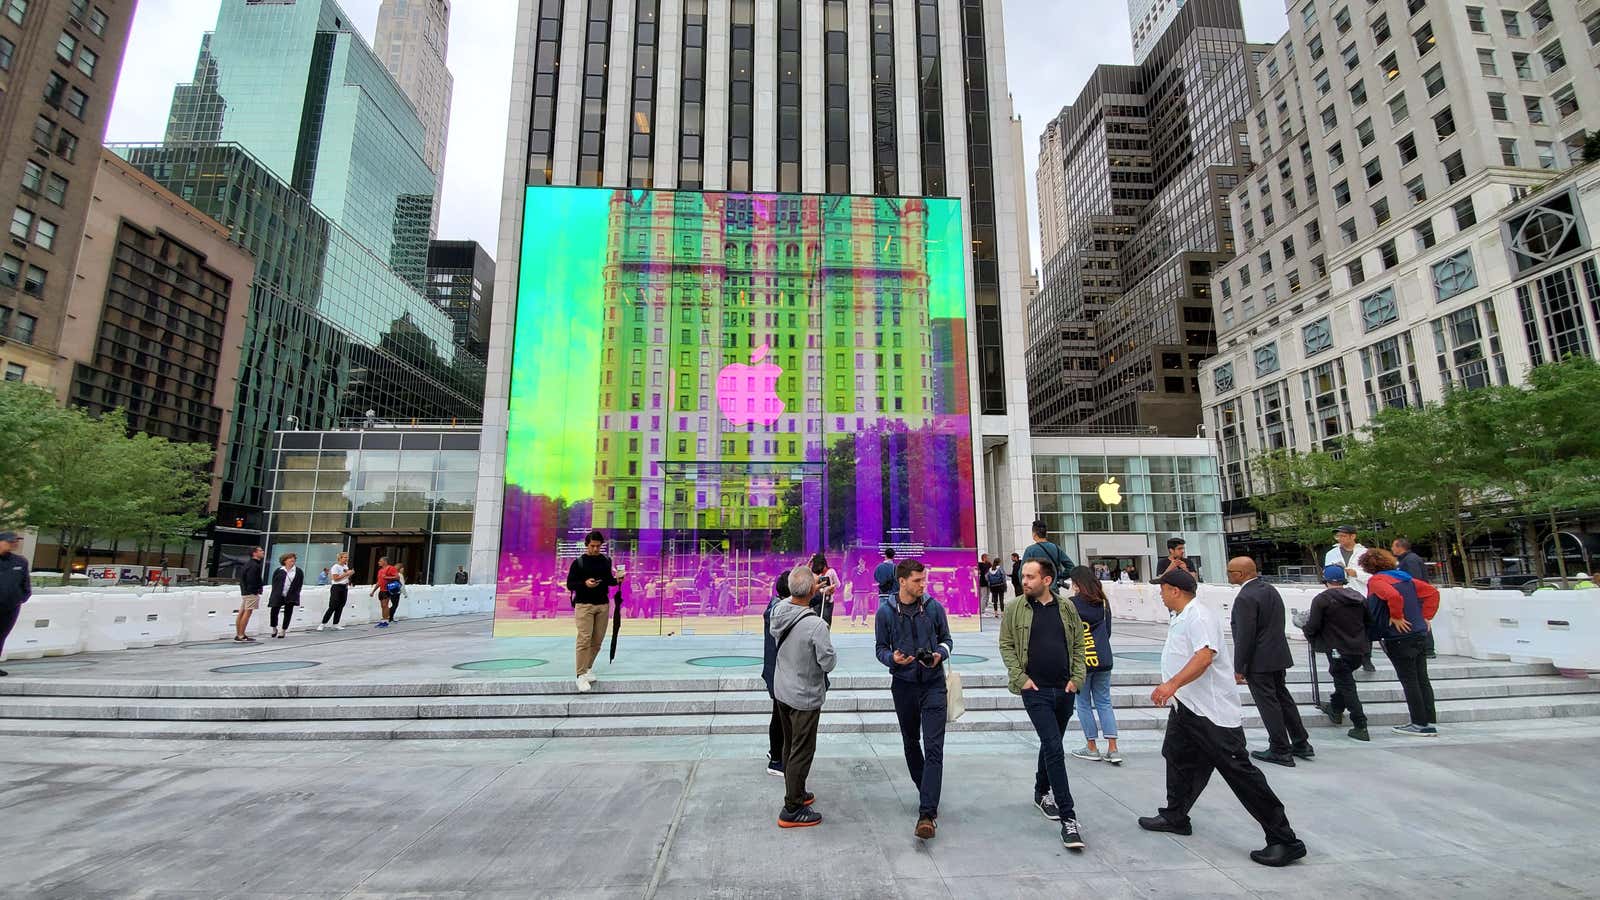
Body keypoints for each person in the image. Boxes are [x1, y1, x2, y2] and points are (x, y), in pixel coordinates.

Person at [1140, 568, 1306, 867]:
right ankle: (1175, 815)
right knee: (1177, 756)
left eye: (1162, 589)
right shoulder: (1182, 615)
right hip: (1187, 707)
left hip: (1211, 713)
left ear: (1175, 591)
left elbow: (1205, 656)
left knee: (1240, 773)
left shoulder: (1199, 615)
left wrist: (1171, 684)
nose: (1160, 594)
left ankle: (1284, 839)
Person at [1000, 558, 1088, 850]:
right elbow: (1007, 644)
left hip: (1064, 689)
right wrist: (1020, 677)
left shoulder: (1066, 607)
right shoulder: (1015, 608)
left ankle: (1040, 791)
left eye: (1030, 577)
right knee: (1054, 747)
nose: (1024, 581)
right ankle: (1069, 818)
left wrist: (1076, 678)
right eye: (1023, 576)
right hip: (1034, 690)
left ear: (1047, 580)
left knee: (1051, 743)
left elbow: (1078, 644)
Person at [875, 558, 953, 840]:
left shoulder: (933, 608)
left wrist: (938, 655)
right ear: (902, 581)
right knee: (911, 743)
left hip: (933, 685)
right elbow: (880, 648)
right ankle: (927, 792)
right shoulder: (885, 612)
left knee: (934, 747)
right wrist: (891, 658)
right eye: (918, 581)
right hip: (904, 684)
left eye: (925, 580)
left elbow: (947, 640)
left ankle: (926, 813)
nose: (923, 585)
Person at [1226, 557, 1312, 766]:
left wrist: (1239, 667)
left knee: (1269, 704)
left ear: (1241, 574)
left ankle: (1280, 748)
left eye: (1230, 571)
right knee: (1283, 699)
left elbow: (1245, 635)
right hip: (1277, 655)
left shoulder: (1245, 597)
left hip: (1259, 660)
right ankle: (1301, 742)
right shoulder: (1269, 589)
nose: (1228, 574)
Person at [771, 563, 836, 828]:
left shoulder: (778, 611)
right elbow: (828, 663)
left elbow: (792, 598)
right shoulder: (816, 625)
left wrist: (808, 588)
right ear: (810, 589)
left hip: (782, 691)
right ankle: (792, 808)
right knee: (802, 750)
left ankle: (796, 792)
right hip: (804, 696)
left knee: (789, 745)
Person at [1361, 548, 1441, 736]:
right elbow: (1432, 593)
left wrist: (1397, 616)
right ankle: (1428, 717)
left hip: (1399, 636)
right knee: (1422, 677)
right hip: (1418, 632)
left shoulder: (1377, 580)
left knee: (1409, 680)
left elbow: (1392, 596)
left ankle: (1419, 723)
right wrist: (1425, 617)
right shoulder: (1404, 577)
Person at [1300, 565, 1371, 741]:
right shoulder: (1359, 597)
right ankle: (1335, 708)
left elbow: (1313, 625)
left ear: (1325, 580)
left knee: (1346, 685)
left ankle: (1360, 724)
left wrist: (1307, 631)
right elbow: (1369, 621)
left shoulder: (1322, 599)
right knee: (1343, 680)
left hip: (1337, 649)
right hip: (1358, 648)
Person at [1067, 565, 1120, 765]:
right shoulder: (1103, 603)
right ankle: (1113, 748)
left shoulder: (1071, 604)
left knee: (1083, 704)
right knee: (1104, 702)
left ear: (1077, 584)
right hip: (1104, 658)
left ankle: (1091, 747)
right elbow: (1107, 631)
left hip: (1082, 662)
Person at [565, 529, 624, 693]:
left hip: (602, 604)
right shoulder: (578, 562)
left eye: (598, 546)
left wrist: (617, 580)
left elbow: (608, 581)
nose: (595, 549)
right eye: (592, 546)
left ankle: (588, 668)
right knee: (584, 639)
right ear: (586, 545)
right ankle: (580, 674)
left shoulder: (605, 561)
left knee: (597, 641)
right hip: (584, 605)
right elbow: (570, 584)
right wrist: (585, 583)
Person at [762, 570, 794, 777]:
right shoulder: (779, 612)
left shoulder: (776, 606)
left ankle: (776, 752)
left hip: (777, 670)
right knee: (780, 716)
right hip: (779, 672)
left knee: (780, 714)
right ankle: (776, 760)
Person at [1391, 538, 1436, 657]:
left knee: (1420, 620)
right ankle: (1425, 647)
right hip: (1414, 596)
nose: (1392, 549)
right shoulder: (1406, 559)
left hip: (1416, 597)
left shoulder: (1410, 560)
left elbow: (1415, 579)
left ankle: (1428, 648)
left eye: (1393, 546)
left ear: (1400, 547)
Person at [0, 531, 33, 677]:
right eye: (10, 541)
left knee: (1, 635)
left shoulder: (20, 561)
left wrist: (22, 597)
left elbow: (25, 584)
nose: (15, 543)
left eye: (16, 540)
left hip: (10, 607)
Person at [266, 552, 304, 638]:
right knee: (274, 611)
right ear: (285, 560)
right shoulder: (279, 570)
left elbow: (299, 583)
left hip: (291, 594)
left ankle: (283, 630)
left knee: (288, 612)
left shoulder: (298, 571)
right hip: (279, 594)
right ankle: (274, 627)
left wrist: (296, 593)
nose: (292, 560)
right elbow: (274, 583)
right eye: (290, 558)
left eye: (293, 559)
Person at [234, 547, 265, 643]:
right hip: (250, 592)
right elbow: (251, 579)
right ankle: (241, 635)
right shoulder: (254, 565)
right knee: (247, 613)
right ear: (254, 553)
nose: (263, 552)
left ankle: (239, 634)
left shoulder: (248, 564)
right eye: (260, 551)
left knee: (242, 612)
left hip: (245, 592)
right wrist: (255, 591)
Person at [318, 552, 352, 631]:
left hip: (344, 587)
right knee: (333, 605)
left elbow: (345, 576)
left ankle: (335, 623)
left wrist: (349, 574)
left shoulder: (345, 566)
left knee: (341, 606)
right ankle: (323, 623)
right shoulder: (335, 567)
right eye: (345, 557)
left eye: (347, 557)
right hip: (337, 587)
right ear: (340, 558)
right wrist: (347, 573)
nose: (346, 559)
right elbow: (335, 578)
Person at [868, 548, 897, 625]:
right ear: (893, 556)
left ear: (885, 555)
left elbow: (876, 578)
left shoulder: (879, 567)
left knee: (882, 616)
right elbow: (898, 582)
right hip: (892, 595)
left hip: (882, 594)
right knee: (892, 616)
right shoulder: (896, 568)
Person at [370, 556, 400, 628]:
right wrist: (373, 591)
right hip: (381, 590)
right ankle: (383, 620)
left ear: (385, 562)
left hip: (387, 589)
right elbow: (379, 582)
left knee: (385, 605)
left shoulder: (391, 568)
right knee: (382, 606)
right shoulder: (380, 571)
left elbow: (397, 577)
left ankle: (386, 621)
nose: (379, 562)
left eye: (380, 561)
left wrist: (386, 577)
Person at [810, 553, 839, 626]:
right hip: (816, 601)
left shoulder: (831, 571)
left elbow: (838, 584)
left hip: (828, 601)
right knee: (816, 622)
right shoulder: (815, 573)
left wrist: (832, 587)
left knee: (826, 622)